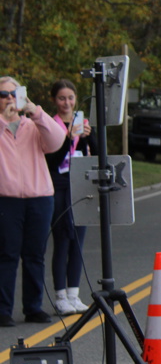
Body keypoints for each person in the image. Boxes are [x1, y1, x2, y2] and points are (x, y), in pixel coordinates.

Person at [0, 76, 65, 326]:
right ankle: (3, 309)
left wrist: (35, 111)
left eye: (13, 93)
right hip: (7, 199)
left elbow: (57, 140)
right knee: (7, 254)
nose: (8, 98)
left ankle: (33, 307)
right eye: (3, 94)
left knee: (35, 255)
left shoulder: (33, 124)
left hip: (39, 197)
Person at [45, 80, 94, 315]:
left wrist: (87, 137)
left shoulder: (82, 123)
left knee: (78, 242)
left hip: (80, 186)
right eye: (62, 98)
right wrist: (67, 138)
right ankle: (60, 296)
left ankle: (74, 294)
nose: (67, 103)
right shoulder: (50, 126)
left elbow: (92, 155)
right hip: (60, 187)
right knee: (62, 240)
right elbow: (53, 161)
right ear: (54, 100)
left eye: (71, 98)